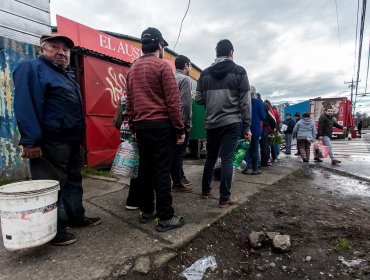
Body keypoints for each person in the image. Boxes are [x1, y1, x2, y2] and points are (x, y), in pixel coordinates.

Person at [13, 33, 101, 246]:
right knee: (52, 187)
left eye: (65, 49)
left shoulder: (66, 75)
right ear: (42, 49)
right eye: (54, 47)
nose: (61, 52)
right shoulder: (31, 68)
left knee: (73, 181)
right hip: (50, 142)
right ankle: (56, 229)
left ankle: (76, 217)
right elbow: (25, 106)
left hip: (71, 141)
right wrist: (30, 141)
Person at [125, 27, 186, 232]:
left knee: (145, 170)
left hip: (141, 127)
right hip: (161, 126)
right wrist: (179, 129)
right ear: (160, 45)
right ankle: (166, 217)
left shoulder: (132, 69)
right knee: (161, 171)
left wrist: (134, 126)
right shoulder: (162, 67)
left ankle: (147, 211)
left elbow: (130, 102)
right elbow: (173, 101)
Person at [195, 39, 251, 208]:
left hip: (211, 122)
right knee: (227, 158)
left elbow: (198, 98)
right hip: (231, 122)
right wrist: (247, 126)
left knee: (210, 158)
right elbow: (246, 101)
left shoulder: (204, 74)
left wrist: (211, 101)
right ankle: (224, 197)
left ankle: (205, 191)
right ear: (231, 53)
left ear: (216, 53)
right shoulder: (239, 72)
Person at [170, 55, 194, 192]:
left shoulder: (171, 77)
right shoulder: (185, 79)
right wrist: (187, 124)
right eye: (189, 65)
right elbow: (186, 104)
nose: (190, 68)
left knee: (174, 152)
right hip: (181, 122)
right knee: (179, 153)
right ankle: (177, 182)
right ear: (186, 65)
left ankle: (180, 177)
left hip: (170, 121)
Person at [241, 86, 265, 175]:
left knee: (245, 148)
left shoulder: (242, 101)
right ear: (254, 92)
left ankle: (245, 168)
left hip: (244, 129)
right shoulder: (258, 102)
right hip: (255, 129)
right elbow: (263, 116)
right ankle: (255, 170)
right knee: (254, 149)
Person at [260, 98, 276, 166]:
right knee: (264, 145)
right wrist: (273, 127)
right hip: (264, 128)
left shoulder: (249, 103)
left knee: (252, 145)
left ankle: (250, 162)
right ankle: (264, 161)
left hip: (253, 127)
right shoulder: (266, 106)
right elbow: (272, 118)